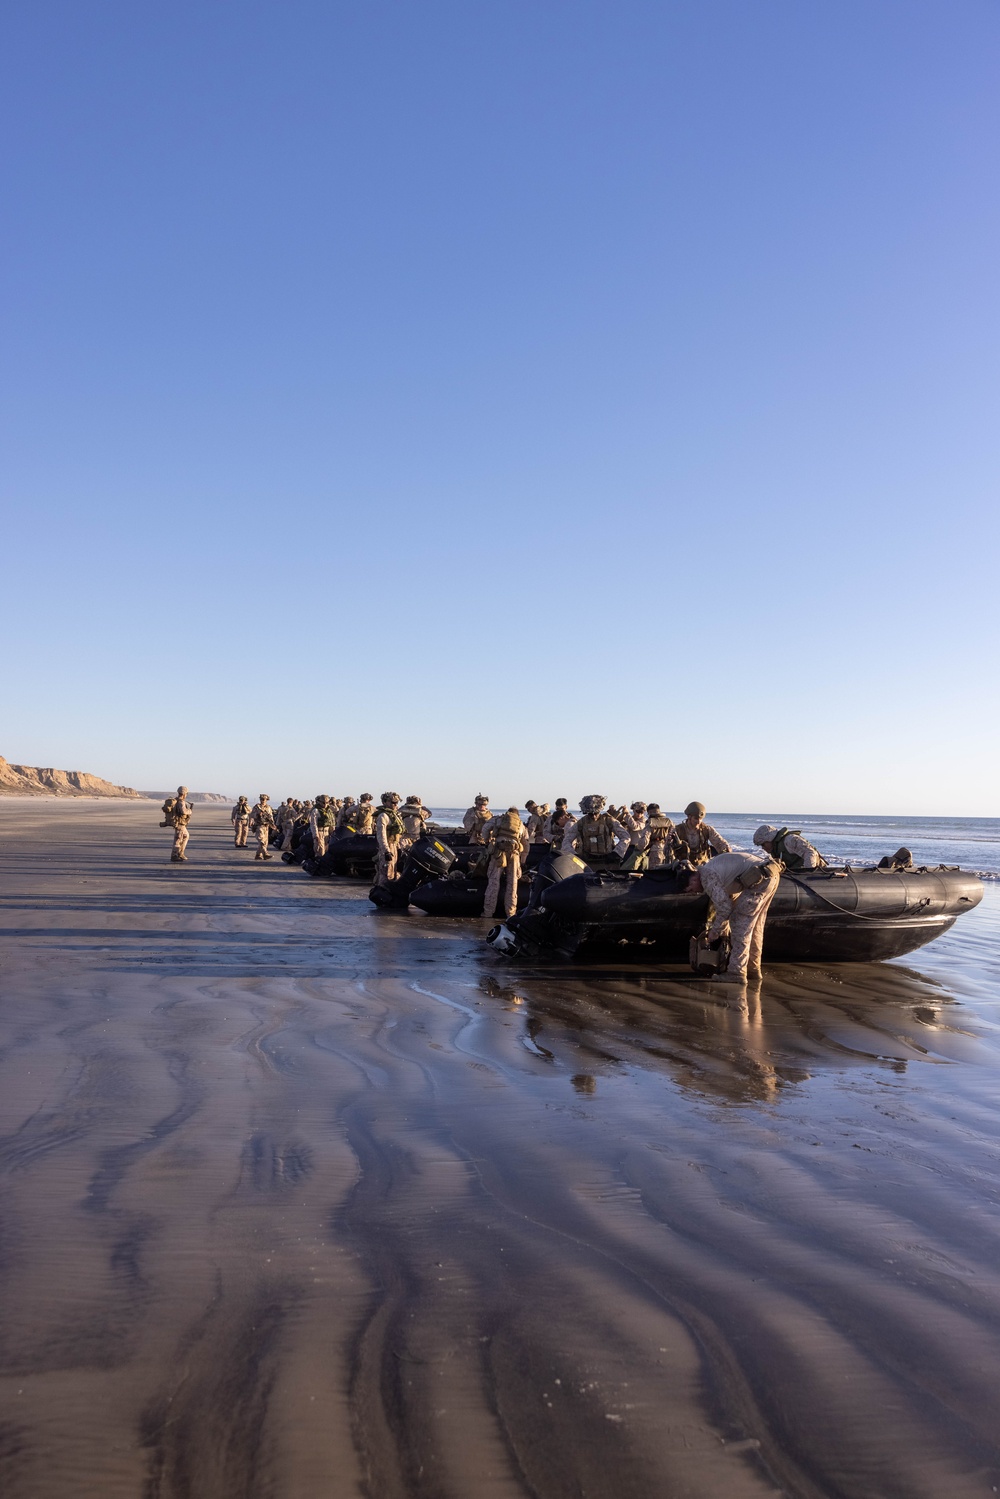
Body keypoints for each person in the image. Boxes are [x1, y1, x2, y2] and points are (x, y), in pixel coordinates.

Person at [688, 851, 782, 985]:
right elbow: (730, 900)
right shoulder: (714, 869)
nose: (695, 892)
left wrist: (715, 931)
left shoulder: (707, 877)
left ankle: (736, 973)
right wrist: (722, 926)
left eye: (691, 888)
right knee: (755, 928)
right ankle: (753, 969)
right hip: (770, 873)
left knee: (740, 924)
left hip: (759, 879)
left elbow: (725, 908)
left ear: (693, 878)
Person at [482, 807, 530, 920]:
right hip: (514, 854)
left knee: (493, 881)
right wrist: (523, 858)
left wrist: (487, 841)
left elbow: (485, 829)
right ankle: (510, 913)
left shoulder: (498, 819)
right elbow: (526, 843)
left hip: (498, 852)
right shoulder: (520, 824)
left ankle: (488, 912)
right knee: (512, 883)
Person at [564, 796, 628, 866]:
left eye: (596, 813)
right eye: (590, 814)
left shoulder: (609, 821)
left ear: (599, 810)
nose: (593, 816)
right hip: (587, 862)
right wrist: (574, 855)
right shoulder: (581, 823)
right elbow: (566, 841)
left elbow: (626, 837)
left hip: (608, 861)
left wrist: (616, 853)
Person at [753, 824, 826, 870]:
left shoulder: (790, 840)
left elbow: (810, 852)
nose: (763, 848)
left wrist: (808, 873)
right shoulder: (775, 848)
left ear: (769, 839)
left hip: (818, 872)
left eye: (763, 844)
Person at [374, 792, 405, 886]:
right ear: (385, 802)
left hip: (394, 846)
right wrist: (386, 851)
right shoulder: (383, 816)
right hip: (387, 846)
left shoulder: (395, 815)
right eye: (393, 802)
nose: (395, 805)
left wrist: (399, 847)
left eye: (396, 803)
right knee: (386, 872)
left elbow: (398, 834)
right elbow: (381, 835)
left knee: (394, 871)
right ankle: (382, 891)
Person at [644, 804, 678, 868]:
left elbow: (644, 841)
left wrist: (639, 849)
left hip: (655, 849)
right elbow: (674, 833)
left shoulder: (650, 822)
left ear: (649, 813)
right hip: (668, 848)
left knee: (655, 871)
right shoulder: (668, 821)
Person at [618, 801, 648, 870]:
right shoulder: (629, 819)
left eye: (642, 812)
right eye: (637, 811)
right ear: (634, 810)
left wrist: (627, 813)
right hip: (627, 847)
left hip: (636, 849)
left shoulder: (644, 821)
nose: (639, 814)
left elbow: (634, 827)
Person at [169, 786, 192, 862]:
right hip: (180, 823)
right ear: (184, 793)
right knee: (178, 839)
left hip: (179, 823)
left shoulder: (177, 800)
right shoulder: (181, 801)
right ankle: (175, 855)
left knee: (185, 836)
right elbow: (183, 811)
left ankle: (180, 853)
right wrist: (190, 811)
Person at [250, 794, 276, 861]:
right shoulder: (257, 807)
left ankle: (258, 855)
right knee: (261, 841)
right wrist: (258, 815)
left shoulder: (268, 808)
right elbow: (252, 815)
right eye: (261, 799)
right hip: (259, 826)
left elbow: (271, 816)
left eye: (264, 799)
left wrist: (272, 824)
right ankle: (265, 854)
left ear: (266, 800)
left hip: (266, 826)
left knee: (265, 842)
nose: (263, 801)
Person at [309, 795, 335, 859]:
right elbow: (313, 824)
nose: (325, 804)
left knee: (327, 851)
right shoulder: (316, 810)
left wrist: (333, 832)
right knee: (320, 851)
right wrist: (315, 835)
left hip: (327, 833)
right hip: (319, 832)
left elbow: (332, 822)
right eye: (323, 802)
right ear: (319, 802)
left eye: (327, 802)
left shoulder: (329, 810)